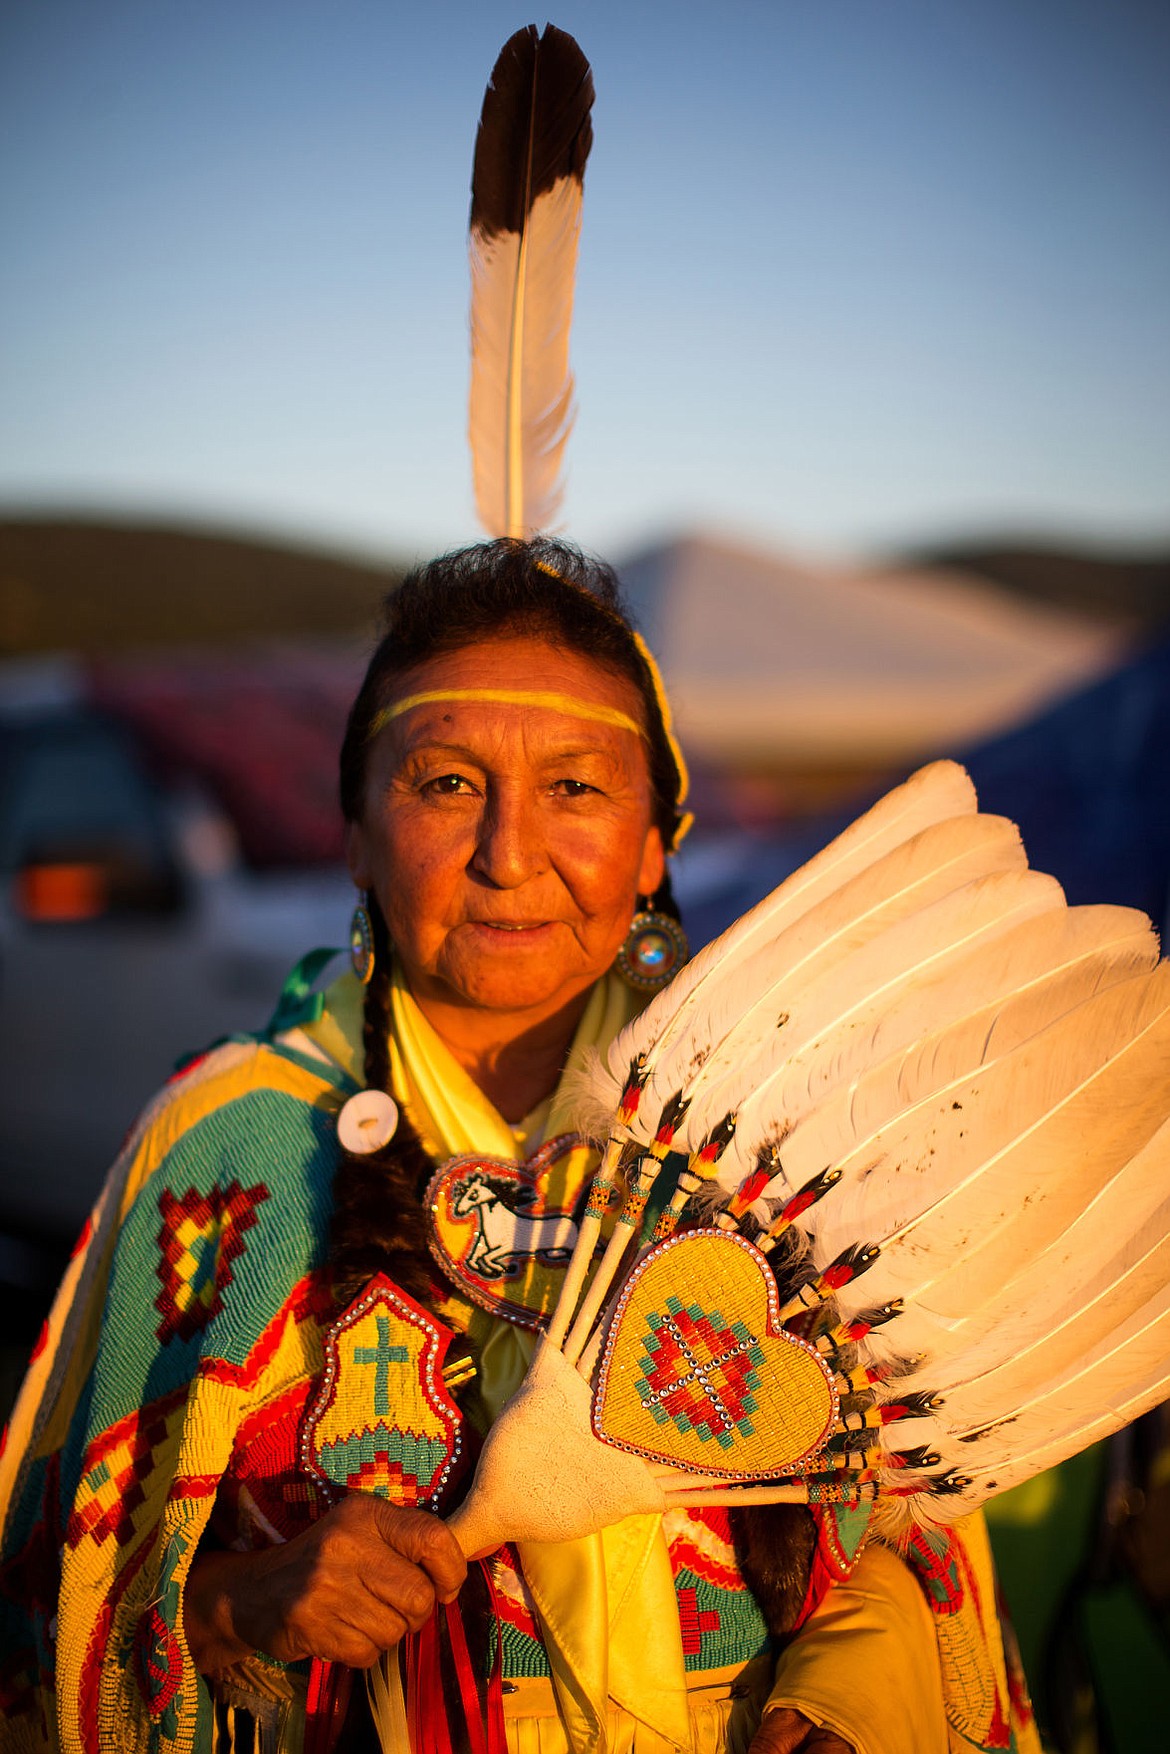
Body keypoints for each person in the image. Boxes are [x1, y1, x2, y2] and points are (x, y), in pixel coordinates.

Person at [0, 540, 1036, 1754]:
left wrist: (852, 1696)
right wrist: (244, 1604)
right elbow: (58, 1604)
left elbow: (906, 1537)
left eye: (578, 788)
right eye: (444, 784)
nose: (507, 851)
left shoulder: (773, 1135)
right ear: (353, 835)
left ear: (657, 841)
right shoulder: (232, 1147)